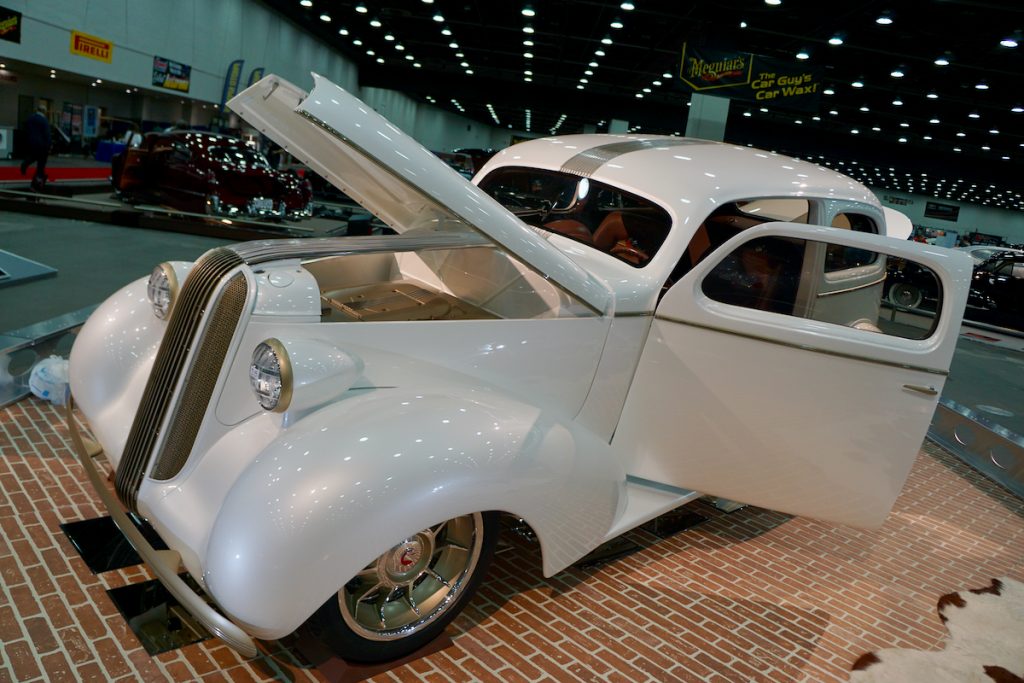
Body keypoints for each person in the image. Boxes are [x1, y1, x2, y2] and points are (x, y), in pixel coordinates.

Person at [20, 105, 51, 191]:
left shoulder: (30, 118)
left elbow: (25, 130)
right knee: (41, 164)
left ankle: (25, 163)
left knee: (32, 156)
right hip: (42, 145)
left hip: (31, 143)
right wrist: (49, 145)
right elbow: (47, 134)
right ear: (44, 111)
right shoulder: (44, 121)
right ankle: (36, 181)